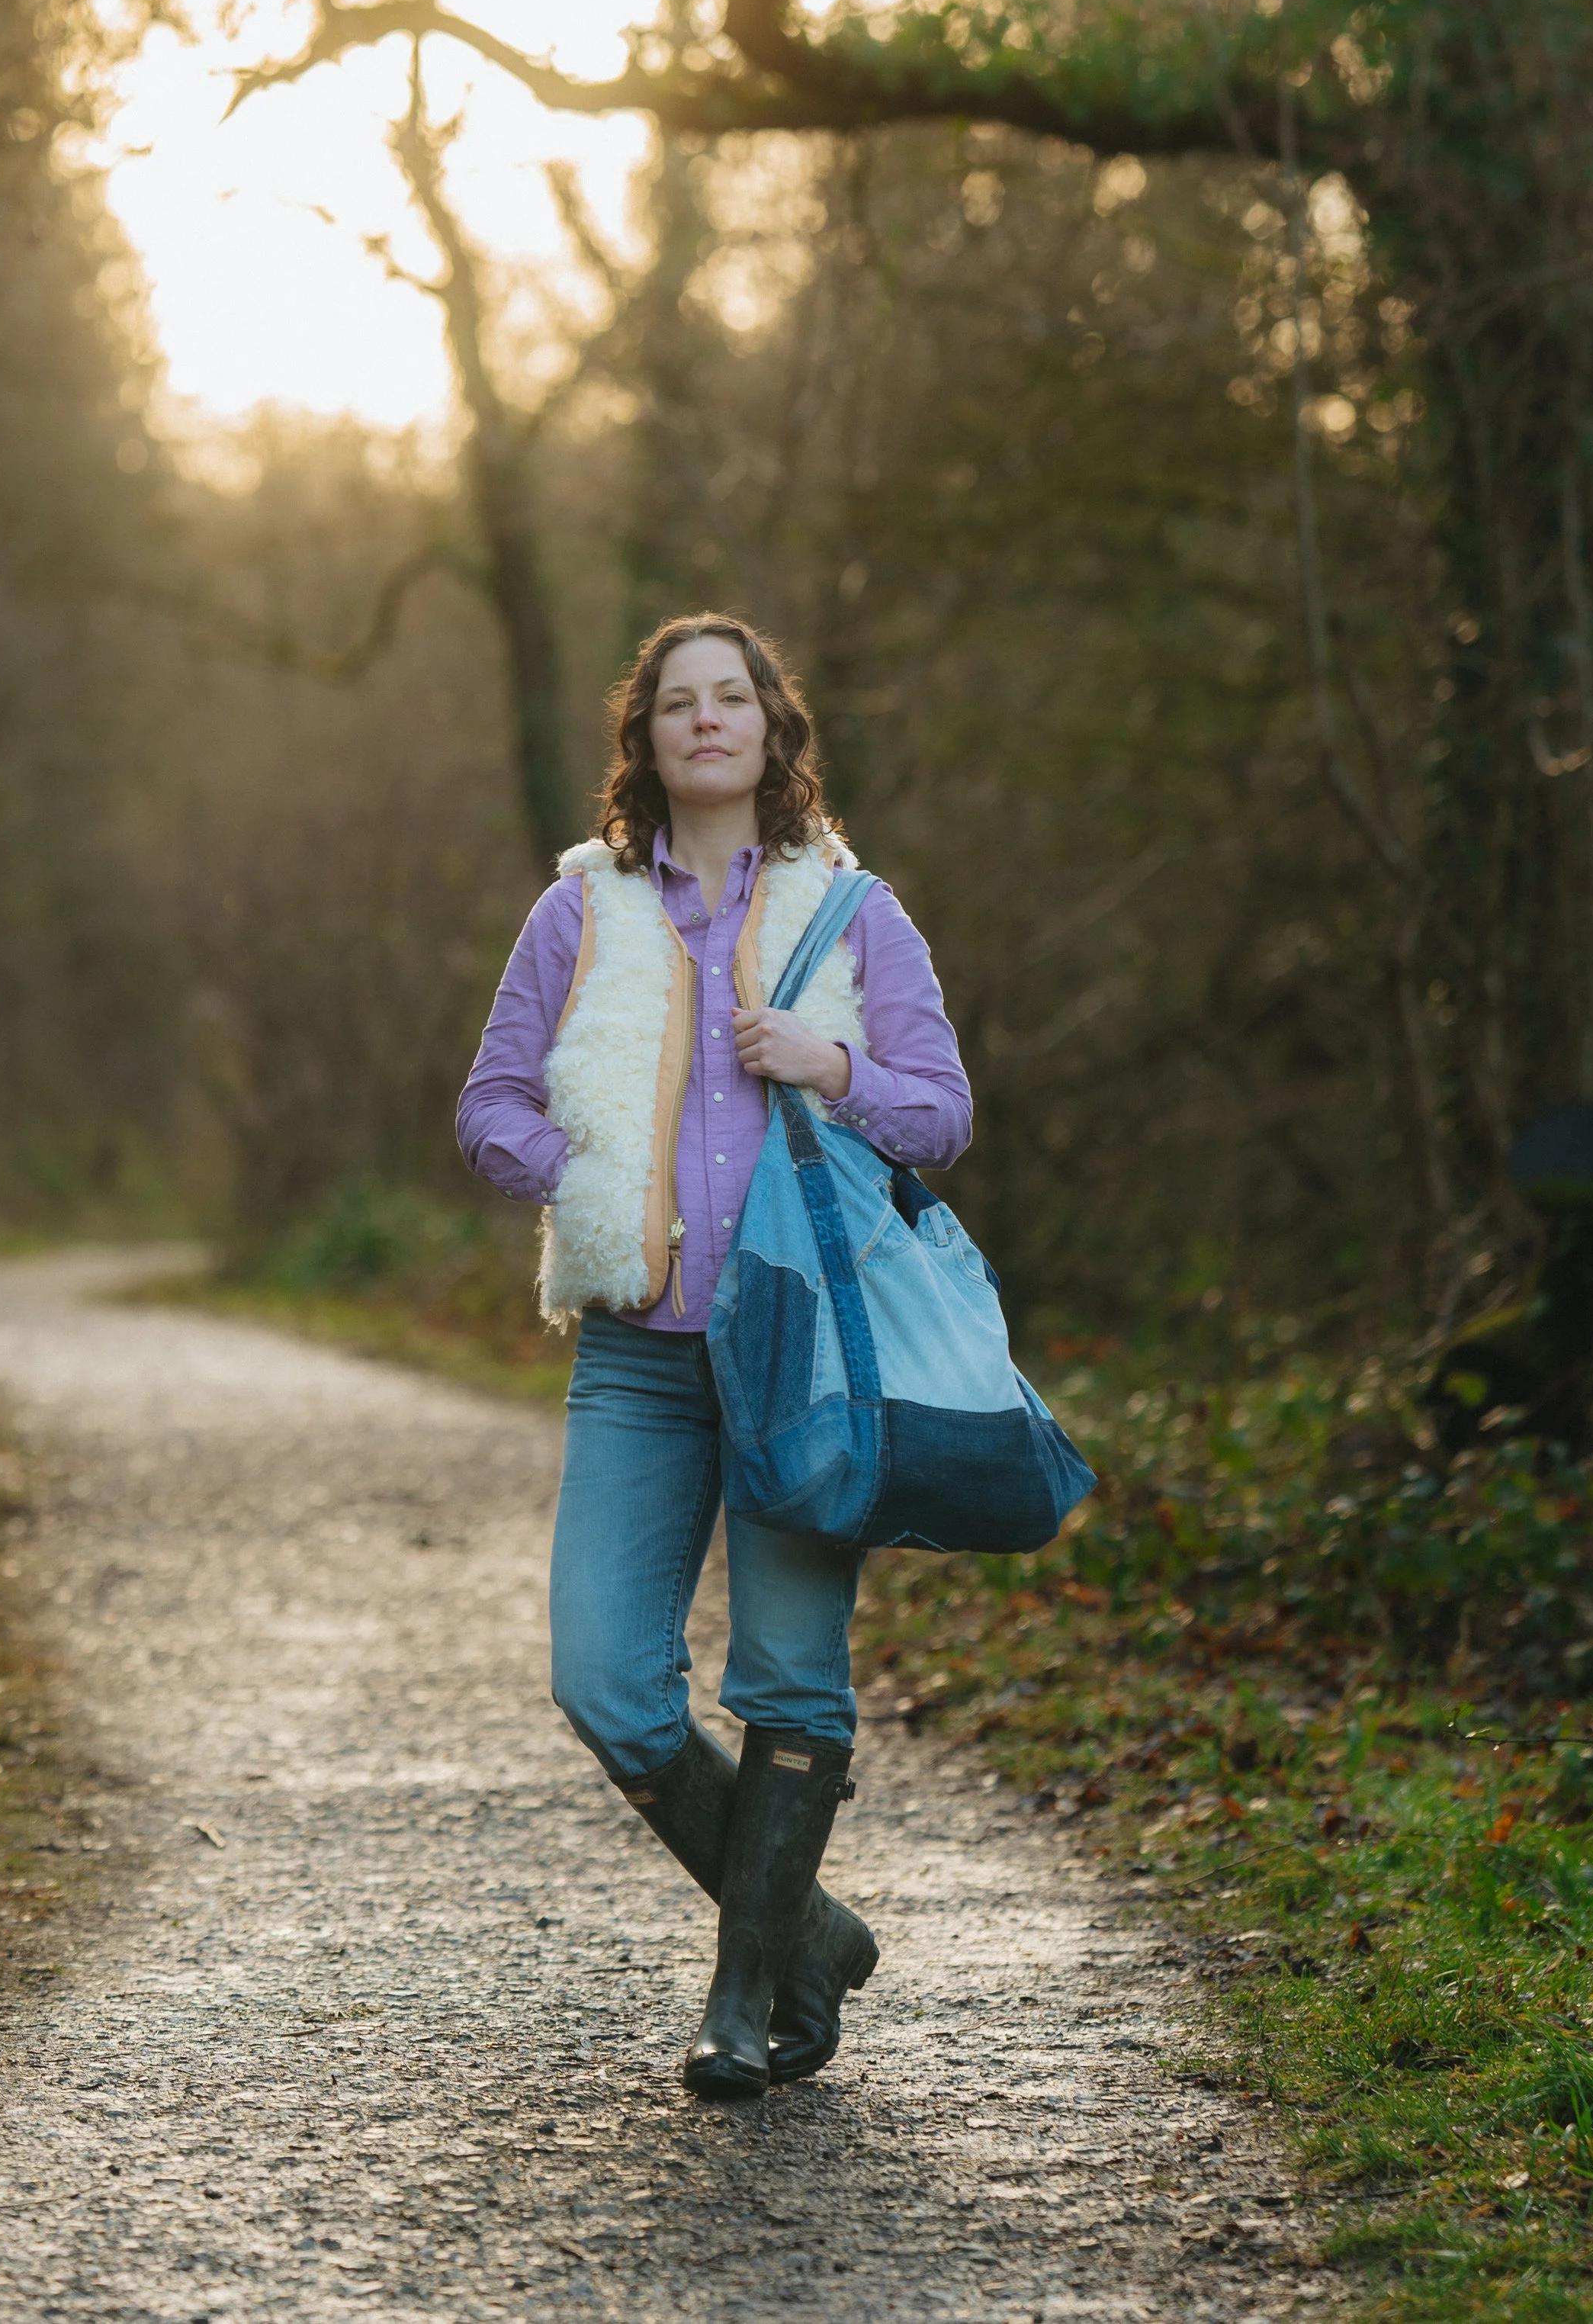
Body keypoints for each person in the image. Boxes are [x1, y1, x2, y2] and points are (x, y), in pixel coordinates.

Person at [457, 614, 972, 2099]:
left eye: (727, 698)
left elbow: (937, 1116)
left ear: (768, 727)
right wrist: (587, 1176)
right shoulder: (581, 912)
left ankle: (746, 2004)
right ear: (646, 737)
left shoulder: (852, 910)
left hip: (807, 1352)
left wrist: (831, 1065)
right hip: (636, 1357)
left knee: (789, 1682)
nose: (702, 722)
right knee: (605, 1679)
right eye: (674, 703)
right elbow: (487, 1105)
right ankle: (806, 1928)